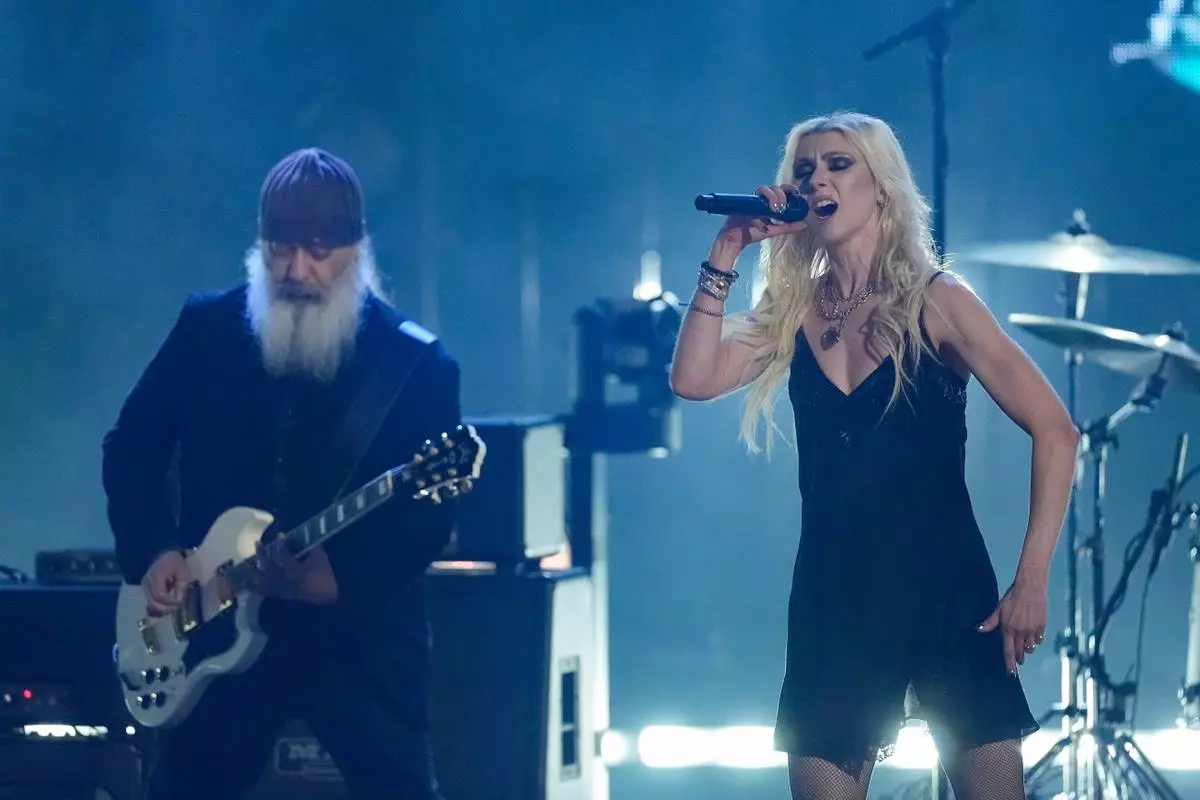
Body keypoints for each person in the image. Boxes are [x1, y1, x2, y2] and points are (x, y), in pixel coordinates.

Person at [669, 112, 1079, 800]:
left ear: (881, 186)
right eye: (804, 170)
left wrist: (1030, 580)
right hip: (835, 598)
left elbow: (1056, 430)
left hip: (946, 593)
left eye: (838, 165)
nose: (816, 181)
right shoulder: (794, 309)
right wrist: (727, 248)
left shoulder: (939, 300)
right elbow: (692, 379)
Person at [102, 147, 461, 799]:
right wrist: (153, 551)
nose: (296, 270)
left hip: (358, 638)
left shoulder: (415, 365)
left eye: (318, 251)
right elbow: (133, 445)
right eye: (280, 250)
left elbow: (430, 516)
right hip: (213, 623)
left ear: (355, 249)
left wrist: (342, 581)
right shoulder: (207, 329)